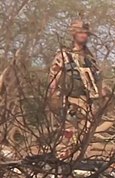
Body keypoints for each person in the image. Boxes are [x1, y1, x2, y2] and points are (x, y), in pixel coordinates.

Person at [48, 19, 103, 150]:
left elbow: (97, 80)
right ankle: (60, 163)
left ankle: (80, 163)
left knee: (86, 137)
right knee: (67, 135)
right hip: (70, 101)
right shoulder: (64, 55)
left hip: (88, 102)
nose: (84, 35)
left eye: (86, 33)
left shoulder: (90, 58)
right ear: (74, 34)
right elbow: (53, 78)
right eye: (80, 32)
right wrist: (53, 98)